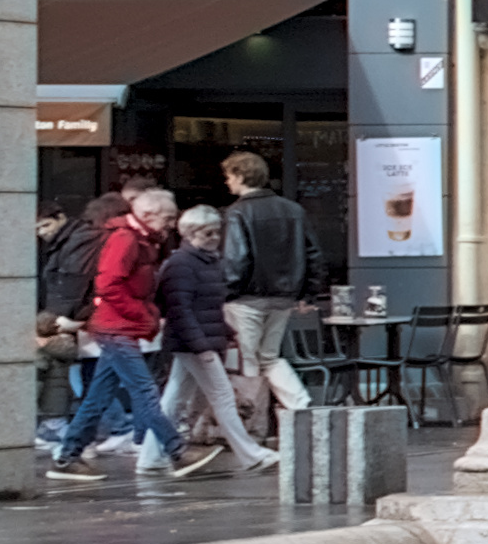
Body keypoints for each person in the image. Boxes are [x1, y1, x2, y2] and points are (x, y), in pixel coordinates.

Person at [39, 195, 182, 479]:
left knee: (98, 395)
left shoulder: (138, 239)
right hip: (115, 326)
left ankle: (68, 457)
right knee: (143, 389)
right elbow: (109, 284)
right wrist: (142, 316)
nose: (172, 224)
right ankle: (177, 449)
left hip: (112, 325)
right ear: (149, 214)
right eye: (168, 218)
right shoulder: (127, 239)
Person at [156, 211, 270, 474]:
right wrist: (203, 344)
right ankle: (250, 454)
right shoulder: (186, 264)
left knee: (173, 399)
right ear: (190, 233)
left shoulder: (194, 262)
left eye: (217, 232)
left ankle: (151, 456)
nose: (215, 238)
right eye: (209, 233)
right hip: (195, 342)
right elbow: (180, 309)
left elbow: (197, 307)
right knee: (221, 395)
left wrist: (223, 332)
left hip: (195, 340)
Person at [217, 150, 317, 414]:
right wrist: (307, 293)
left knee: (247, 360)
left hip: (247, 298)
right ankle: (300, 406)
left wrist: (225, 293)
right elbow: (313, 253)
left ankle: (251, 420)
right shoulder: (293, 210)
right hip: (283, 297)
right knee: (269, 358)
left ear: (240, 175)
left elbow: (236, 261)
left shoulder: (237, 212)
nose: (227, 182)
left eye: (228, 176)